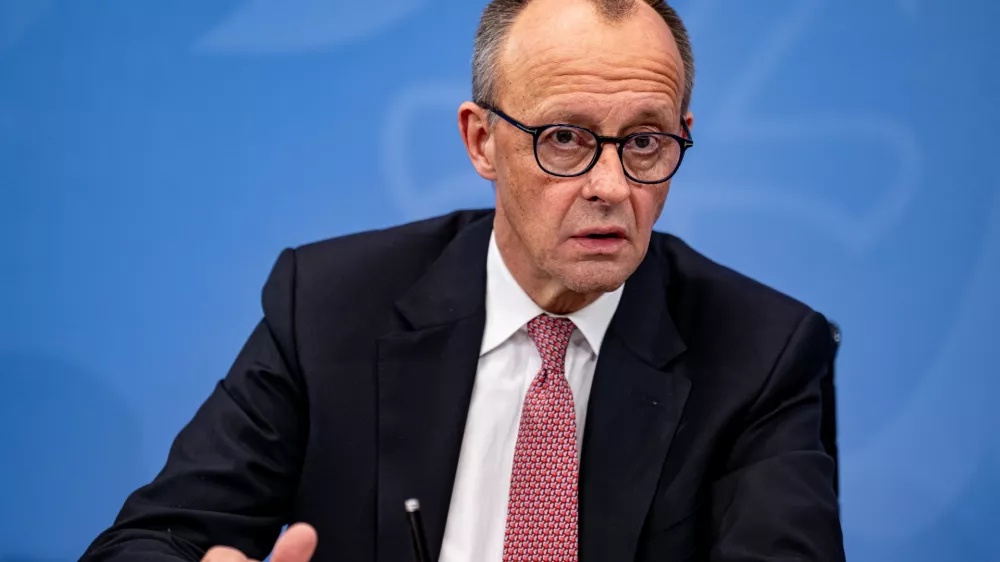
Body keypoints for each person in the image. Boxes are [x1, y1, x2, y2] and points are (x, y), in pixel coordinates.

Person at [82, 0, 846, 560]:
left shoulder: (762, 353)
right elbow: (148, 542)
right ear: (482, 140)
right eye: (565, 139)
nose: (611, 184)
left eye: (644, 142)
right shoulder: (330, 307)